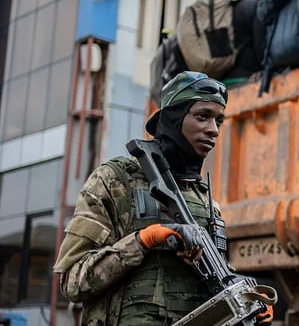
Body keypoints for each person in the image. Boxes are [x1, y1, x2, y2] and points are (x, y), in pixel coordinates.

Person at [53, 72, 273, 325]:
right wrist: (145, 239)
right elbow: (72, 281)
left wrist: (247, 303)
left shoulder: (204, 201)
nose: (213, 130)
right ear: (173, 119)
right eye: (202, 117)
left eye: (219, 121)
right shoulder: (115, 180)